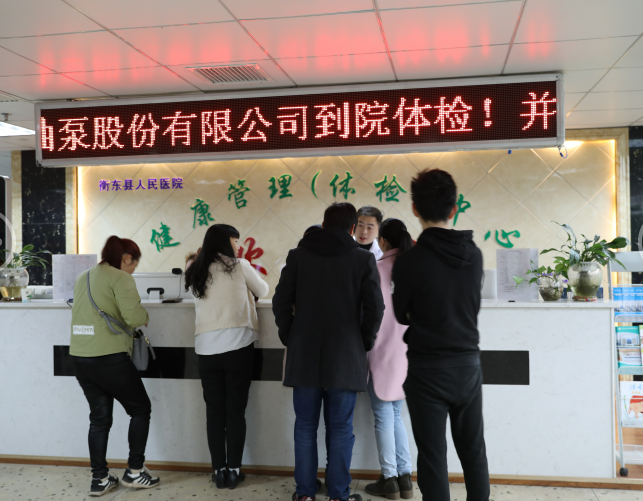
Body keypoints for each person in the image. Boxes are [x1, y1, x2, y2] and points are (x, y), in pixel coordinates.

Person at [273, 203, 385, 501]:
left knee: (305, 427)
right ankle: (338, 495)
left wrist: (290, 335)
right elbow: (376, 308)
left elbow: (280, 301)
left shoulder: (298, 256)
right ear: (352, 228)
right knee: (341, 428)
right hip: (346, 356)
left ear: (323, 225)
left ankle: (305, 494)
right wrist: (363, 342)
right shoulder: (362, 259)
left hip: (304, 354)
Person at [392, 169, 490, 501]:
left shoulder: (408, 261)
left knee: (433, 457)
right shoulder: (474, 255)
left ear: (415, 209)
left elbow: (400, 314)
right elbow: (470, 305)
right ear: (454, 208)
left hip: (427, 370)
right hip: (468, 366)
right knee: (473, 451)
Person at [70, 236, 159, 497]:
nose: (133, 270)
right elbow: (134, 317)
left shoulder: (83, 277)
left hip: (80, 357)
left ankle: (100, 479)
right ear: (126, 258)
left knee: (99, 419)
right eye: (134, 264)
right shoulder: (121, 278)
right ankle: (135, 471)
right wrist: (145, 315)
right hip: (109, 357)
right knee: (140, 409)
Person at [184, 224, 269, 490]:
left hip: (206, 350)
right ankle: (234, 471)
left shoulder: (195, 269)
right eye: (235, 240)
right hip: (238, 348)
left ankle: (218, 471)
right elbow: (264, 290)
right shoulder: (239, 266)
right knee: (235, 412)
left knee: (214, 413)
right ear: (224, 242)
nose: (238, 245)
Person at [365, 218, 415, 500]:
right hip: (407, 353)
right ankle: (405, 477)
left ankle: (390, 479)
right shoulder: (413, 267)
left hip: (380, 351)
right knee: (395, 414)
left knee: (384, 416)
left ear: (382, 241)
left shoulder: (375, 268)